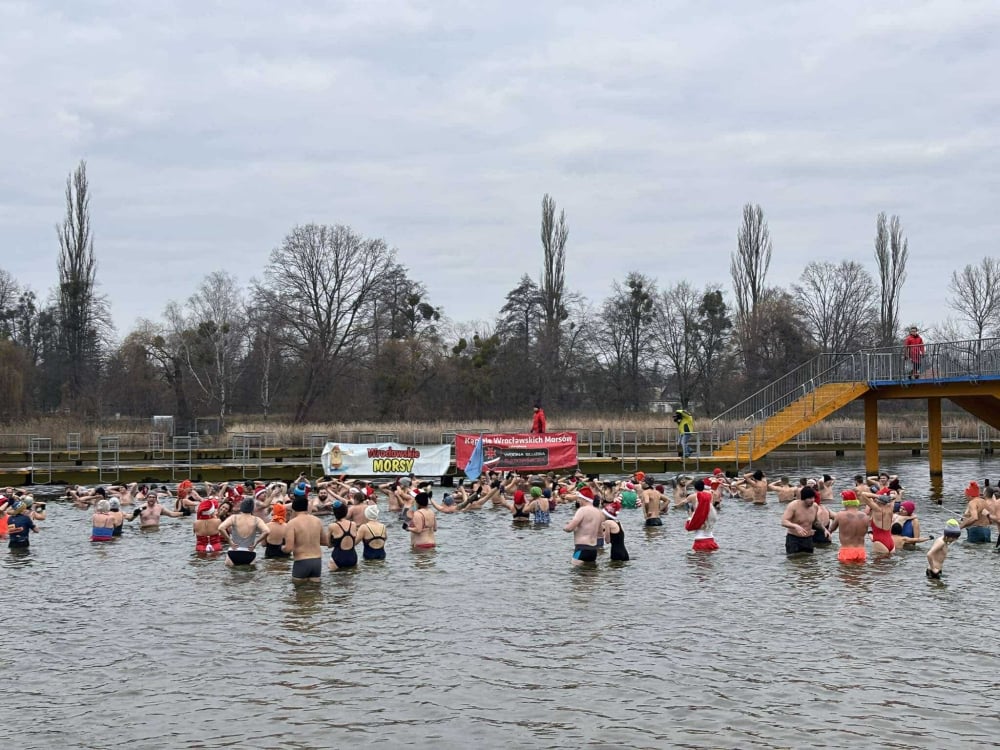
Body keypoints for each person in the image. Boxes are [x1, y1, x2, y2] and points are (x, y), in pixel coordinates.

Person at [282, 494, 327, 582]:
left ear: (293, 508)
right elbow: (325, 542)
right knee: (315, 592)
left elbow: (288, 548)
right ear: (307, 507)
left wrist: (282, 548)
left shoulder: (292, 523)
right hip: (317, 561)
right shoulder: (317, 521)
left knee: (299, 591)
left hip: (301, 561)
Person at [218, 498, 269, 567]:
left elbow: (220, 528)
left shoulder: (234, 517)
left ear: (241, 507)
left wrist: (229, 541)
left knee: (233, 576)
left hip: (233, 552)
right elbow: (267, 531)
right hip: (249, 553)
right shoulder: (257, 520)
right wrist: (256, 543)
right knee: (249, 576)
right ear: (252, 508)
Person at [781, 487, 827, 555]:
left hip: (808, 539)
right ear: (803, 498)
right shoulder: (793, 505)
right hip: (794, 539)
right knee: (794, 561)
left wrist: (824, 529)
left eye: (813, 498)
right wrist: (795, 526)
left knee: (810, 562)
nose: (813, 500)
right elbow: (784, 521)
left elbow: (816, 522)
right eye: (810, 498)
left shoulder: (815, 506)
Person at [563, 492, 604, 565]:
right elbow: (600, 533)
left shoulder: (582, 510)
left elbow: (569, 529)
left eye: (579, 498)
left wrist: (565, 526)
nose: (578, 501)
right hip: (593, 550)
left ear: (584, 499)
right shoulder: (599, 512)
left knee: (575, 573)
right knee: (591, 575)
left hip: (582, 548)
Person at [829, 491, 869, 564]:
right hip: (861, 551)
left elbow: (831, 529)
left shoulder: (840, 515)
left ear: (844, 501)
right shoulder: (865, 516)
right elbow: (865, 532)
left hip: (846, 551)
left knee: (845, 574)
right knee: (860, 574)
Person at [683, 479, 718, 552]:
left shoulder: (697, 516)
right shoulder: (712, 514)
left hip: (700, 542)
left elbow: (688, 527)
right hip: (711, 541)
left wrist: (689, 516)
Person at [327, 501, 359, 570]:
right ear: (346, 512)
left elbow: (329, 545)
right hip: (352, 557)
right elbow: (354, 541)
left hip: (338, 557)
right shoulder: (353, 524)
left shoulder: (332, 526)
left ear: (334, 513)